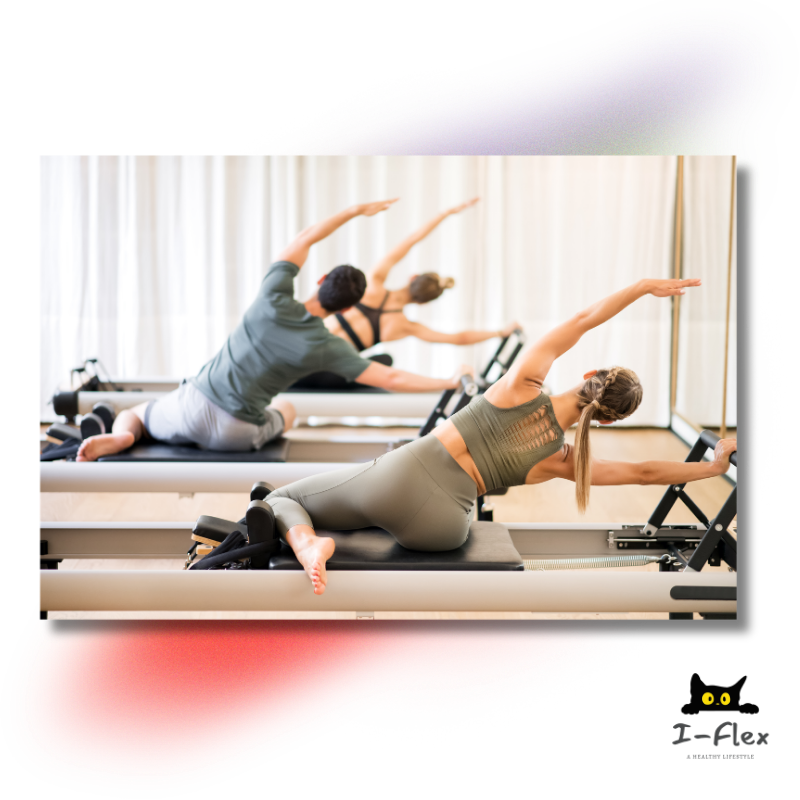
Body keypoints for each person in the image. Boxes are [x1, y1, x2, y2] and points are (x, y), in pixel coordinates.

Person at [251, 276, 737, 594]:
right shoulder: (565, 458)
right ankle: (333, 529)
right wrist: (713, 467)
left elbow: (584, 320)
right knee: (357, 513)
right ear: (607, 420)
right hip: (442, 531)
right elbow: (645, 472)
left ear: (590, 373)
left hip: (399, 477)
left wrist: (644, 287)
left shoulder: (523, 382)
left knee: (280, 501)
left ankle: (309, 542)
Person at [76, 199, 474, 462]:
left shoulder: (273, 294)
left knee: (134, 413)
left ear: (318, 280)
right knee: (287, 407)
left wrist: (355, 211)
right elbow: (390, 375)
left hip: (189, 404)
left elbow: (305, 238)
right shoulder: (326, 345)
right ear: (349, 307)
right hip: (235, 431)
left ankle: (122, 437)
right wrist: (448, 381)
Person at [291, 197, 520, 389]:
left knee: (376, 360)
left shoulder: (372, 283)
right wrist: (500, 332)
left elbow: (411, 241)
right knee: (385, 360)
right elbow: (458, 338)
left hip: (297, 357)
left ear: (413, 278)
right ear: (423, 303)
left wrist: (446, 213)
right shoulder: (403, 326)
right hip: (324, 376)